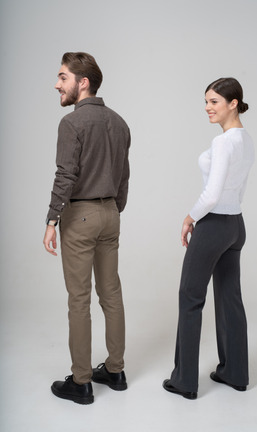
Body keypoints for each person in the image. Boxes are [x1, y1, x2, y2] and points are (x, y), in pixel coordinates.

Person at [43, 52, 131, 405]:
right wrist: (113, 209)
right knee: (111, 294)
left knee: (79, 300)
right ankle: (115, 369)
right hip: (111, 213)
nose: (57, 84)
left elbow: (66, 175)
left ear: (83, 83)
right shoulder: (120, 122)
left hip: (79, 216)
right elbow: (124, 175)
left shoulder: (72, 124)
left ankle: (80, 382)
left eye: (63, 77)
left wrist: (51, 219)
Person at [163, 77, 255, 400]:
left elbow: (212, 194)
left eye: (214, 101)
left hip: (214, 224)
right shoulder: (246, 140)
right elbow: (237, 191)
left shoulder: (223, 142)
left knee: (190, 296)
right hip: (235, 225)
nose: (207, 108)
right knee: (230, 297)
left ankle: (185, 380)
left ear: (233, 103)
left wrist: (191, 217)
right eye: (206, 102)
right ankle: (235, 373)